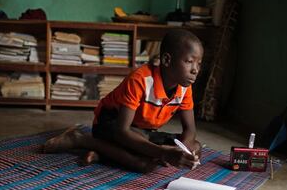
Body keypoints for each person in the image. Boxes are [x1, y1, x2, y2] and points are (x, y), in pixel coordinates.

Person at [41, 29, 204, 173]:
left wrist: (183, 149)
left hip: (143, 131)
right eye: (189, 61)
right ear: (167, 60)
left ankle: (106, 153)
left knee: (195, 146)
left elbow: (190, 130)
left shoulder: (184, 87)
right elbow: (122, 131)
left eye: (199, 63)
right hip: (110, 123)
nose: (195, 69)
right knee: (143, 164)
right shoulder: (141, 80)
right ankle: (81, 139)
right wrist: (162, 153)